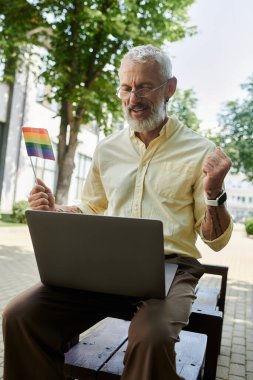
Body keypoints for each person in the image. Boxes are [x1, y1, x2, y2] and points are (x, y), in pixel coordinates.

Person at [2, 44, 233, 380]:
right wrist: (56, 210)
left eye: (144, 87)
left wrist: (214, 194)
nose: (133, 98)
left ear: (169, 88)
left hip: (170, 268)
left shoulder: (201, 152)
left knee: (150, 338)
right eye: (126, 87)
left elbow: (215, 241)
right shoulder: (107, 148)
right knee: (20, 315)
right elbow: (91, 207)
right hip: (106, 266)